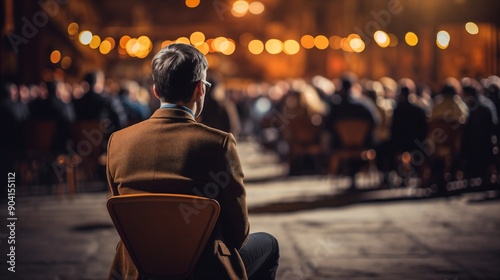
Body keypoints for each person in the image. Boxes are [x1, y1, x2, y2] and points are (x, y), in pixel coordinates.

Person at [106, 43, 279, 280]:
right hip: (203, 270)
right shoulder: (218, 144)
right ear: (200, 89)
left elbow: (122, 217)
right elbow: (239, 231)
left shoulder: (118, 142)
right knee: (269, 245)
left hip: (138, 269)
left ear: (156, 91)